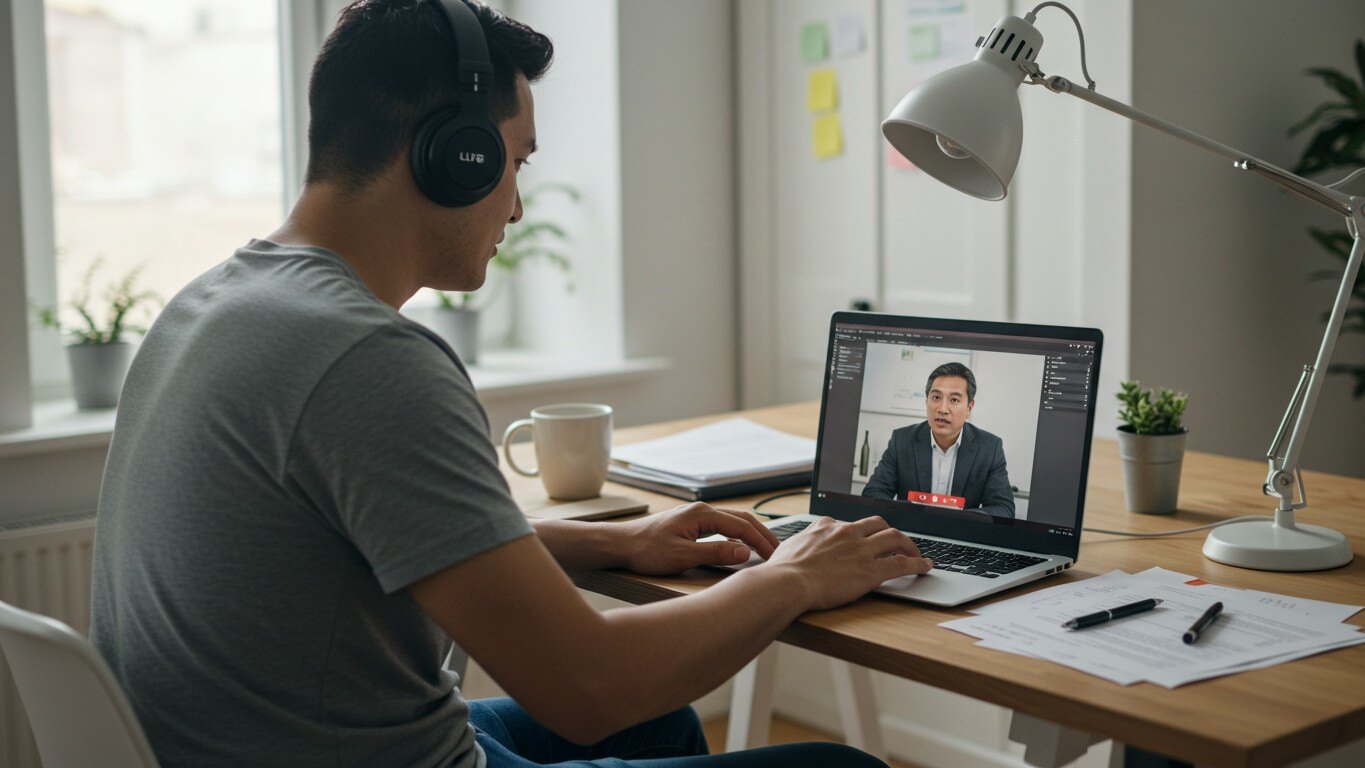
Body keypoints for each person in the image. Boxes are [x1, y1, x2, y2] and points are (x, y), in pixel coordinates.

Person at [88, 2, 933, 766]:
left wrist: (619, 543)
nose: (517, 206)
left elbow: (376, 544)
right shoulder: (367, 359)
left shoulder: (218, 301)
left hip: (240, 744)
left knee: (664, 724)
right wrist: (793, 575)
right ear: (454, 155)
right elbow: (588, 688)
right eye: (513, 162)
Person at [861, 362, 1015, 519]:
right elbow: (873, 494)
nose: (942, 409)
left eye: (954, 400)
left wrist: (956, 518)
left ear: (969, 408)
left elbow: (1003, 508)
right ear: (926, 401)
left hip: (959, 535)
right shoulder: (902, 440)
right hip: (911, 531)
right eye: (936, 397)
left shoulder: (989, 448)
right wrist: (913, 512)